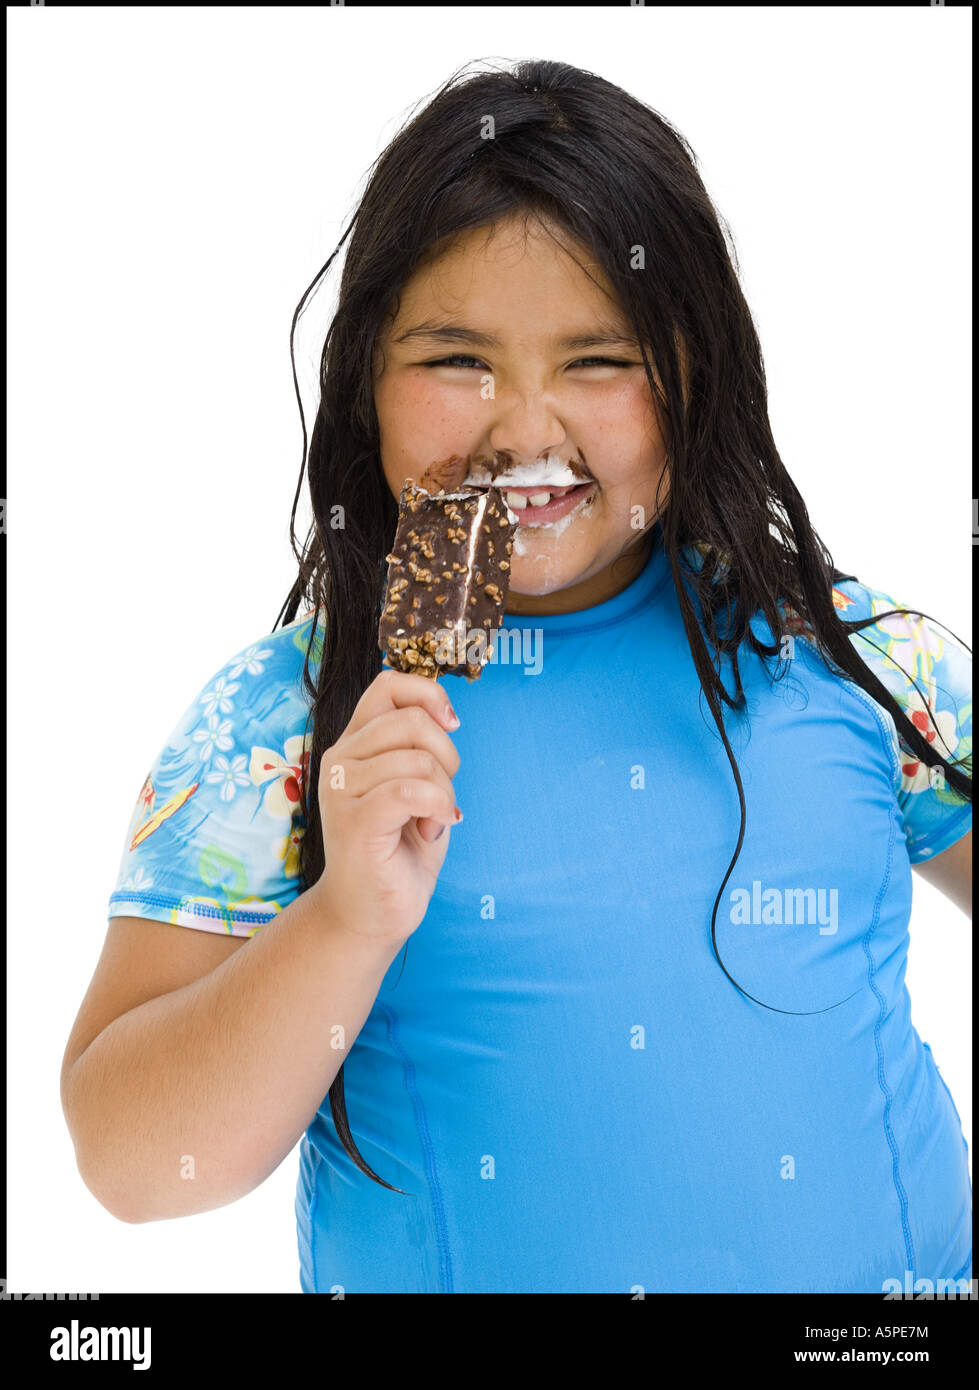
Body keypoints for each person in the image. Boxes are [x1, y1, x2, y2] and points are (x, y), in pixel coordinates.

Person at [61, 59, 972, 1294]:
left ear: (699, 377)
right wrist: (345, 921)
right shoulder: (285, 722)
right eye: (455, 361)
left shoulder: (846, 657)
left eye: (601, 361)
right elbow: (136, 1163)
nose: (527, 427)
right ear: (362, 385)